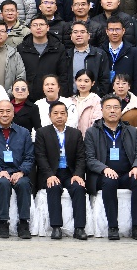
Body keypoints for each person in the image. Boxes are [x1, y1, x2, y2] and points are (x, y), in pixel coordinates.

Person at [84, 96, 137, 241]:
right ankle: (113, 227)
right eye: (108, 107)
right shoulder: (92, 132)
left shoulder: (131, 131)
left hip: (126, 173)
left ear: (121, 110)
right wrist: (104, 169)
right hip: (103, 175)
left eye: (116, 107)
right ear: (102, 110)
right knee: (109, 181)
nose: (112, 111)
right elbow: (90, 158)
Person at [0, 99, 35, 239]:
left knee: (24, 183)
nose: (5, 114)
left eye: (8, 111)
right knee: (3, 183)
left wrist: (21, 172)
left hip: (18, 172)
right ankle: (3, 222)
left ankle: (23, 223)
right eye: (1, 111)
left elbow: (29, 157)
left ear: (13, 113)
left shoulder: (24, 133)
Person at [34, 100, 88, 240]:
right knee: (53, 187)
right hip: (52, 172)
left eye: (62, 113)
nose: (59, 116)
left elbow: (81, 157)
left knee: (78, 188)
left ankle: (79, 228)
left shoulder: (75, 133)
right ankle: (56, 227)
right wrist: (49, 175)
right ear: (50, 115)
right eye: (56, 113)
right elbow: (40, 156)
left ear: (67, 115)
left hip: (70, 173)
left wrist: (78, 174)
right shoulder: (42, 133)